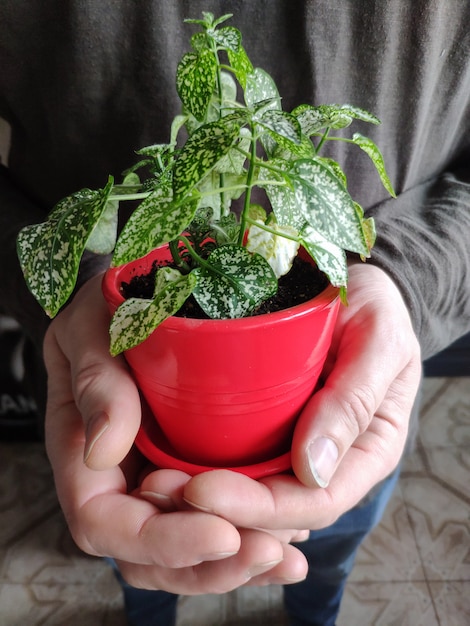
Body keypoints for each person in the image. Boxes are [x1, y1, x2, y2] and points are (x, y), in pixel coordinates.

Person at [0, 1, 469, 625]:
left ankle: (313, 613)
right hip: (116, 422)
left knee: (326, 548)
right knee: (145, 561)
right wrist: (70, 294)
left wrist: (409, 273)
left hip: (357, 396)